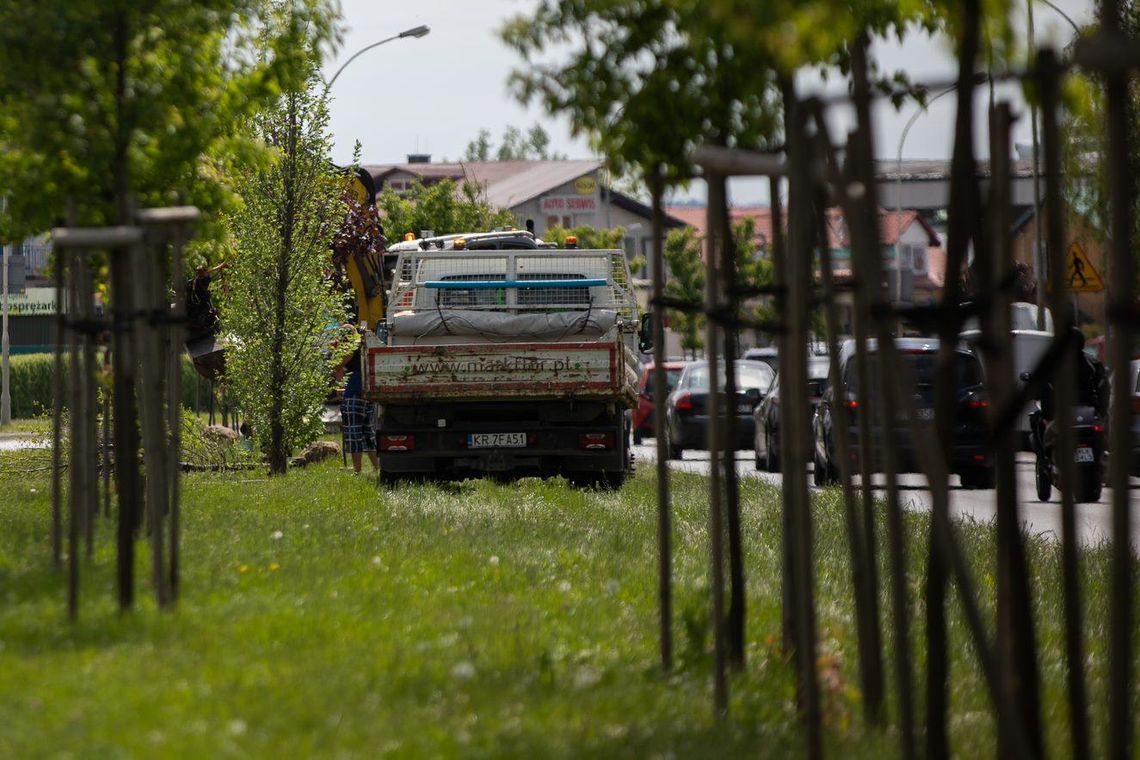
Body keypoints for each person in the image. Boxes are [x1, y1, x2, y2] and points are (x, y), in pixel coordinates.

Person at [338, 342, 379, 474]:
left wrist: (335, 366)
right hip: (366, 394)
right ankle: (377, 467)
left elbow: (342, 361)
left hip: (353, 397)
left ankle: (357, 471)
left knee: (354, 434)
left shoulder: (351, 348)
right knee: (369, 434)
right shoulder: (364, 350)